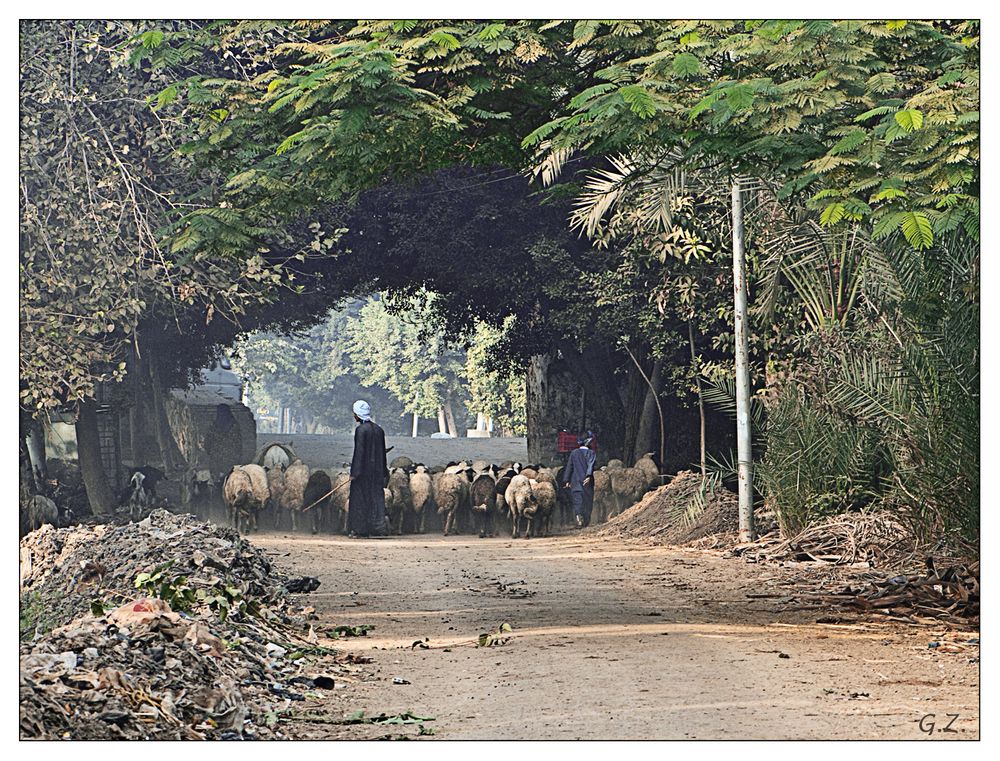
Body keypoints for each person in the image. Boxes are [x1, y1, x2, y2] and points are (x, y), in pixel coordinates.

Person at [347, 400, 389, 538]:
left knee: (359, 500)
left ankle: (360, 530)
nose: (354, 416)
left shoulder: (360, 430)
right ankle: (377, 528)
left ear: (358, 415)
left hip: (363, 474)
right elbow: (382, 453)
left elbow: (359, 452)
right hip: (376, 473)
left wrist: (355, 473)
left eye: (355, 413)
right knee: (376, 499)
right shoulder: (379, 430)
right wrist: (384, 472)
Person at [564, 432, 597, 528]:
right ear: (588, 442)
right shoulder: (591, 453)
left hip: (575, 481)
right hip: (587, 482)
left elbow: (569, 467)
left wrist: (566, 480)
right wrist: (588, 476)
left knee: (577, 500)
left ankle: (579, 519)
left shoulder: (574, 453)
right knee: (587, 501)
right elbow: (591, 465)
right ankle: (586, 521)